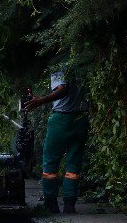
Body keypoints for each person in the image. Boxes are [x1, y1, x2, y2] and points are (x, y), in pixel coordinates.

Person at [24, 66, 90, 214]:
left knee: (50, 163)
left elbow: (62, 89)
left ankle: (50, 203)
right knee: (74, 164)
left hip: (61, 119)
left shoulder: (59, 64)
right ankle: (69, 204)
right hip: (80, 119)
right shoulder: (84, 62)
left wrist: (40, 100)